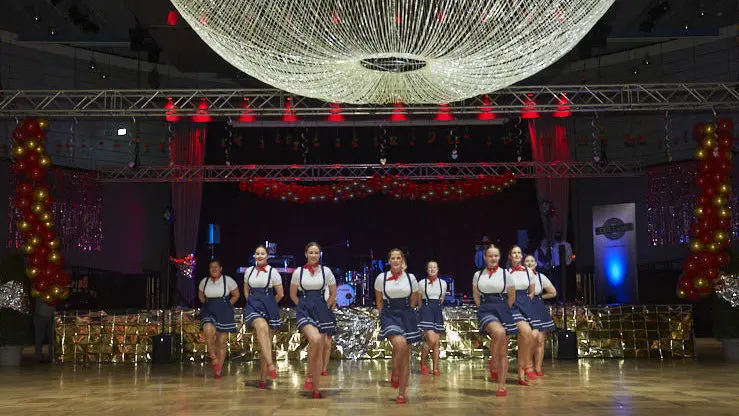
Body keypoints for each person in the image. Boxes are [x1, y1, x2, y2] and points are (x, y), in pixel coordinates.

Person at [290, 242, 337, 399]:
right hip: (305, 310)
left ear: (320, 254)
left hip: (321, 310)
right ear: (306, 254)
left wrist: (326, 307)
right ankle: (309, 373)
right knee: (315, 339)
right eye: (311, 252)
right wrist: (301, 306)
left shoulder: (326, 271)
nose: (314, 255)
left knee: (318, 347)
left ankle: (316, 388)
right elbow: (292, 294)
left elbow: (333, 293)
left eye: (316, 253)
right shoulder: (298, 272)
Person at [375, 249, 421, 404]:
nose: (395, 261)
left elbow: (414, 299)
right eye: (393, 258)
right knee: (399, 343)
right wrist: (382, 316)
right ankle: (394, 369)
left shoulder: (411, 278)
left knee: (406, 354)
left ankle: (402, 393)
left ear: (402, 260)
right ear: (389, 261)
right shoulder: (381, 278)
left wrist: (408, 311)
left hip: (406, 314)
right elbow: (379, 301)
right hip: (389, 314)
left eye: (398, 258)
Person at [472, 244, 517, 397]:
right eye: (490, 256)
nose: (493, 258)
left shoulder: (506, 274)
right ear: (485, 257)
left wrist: (504, 308)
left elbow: (512, 296)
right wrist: (481, 308)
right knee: (499, 332)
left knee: (503, 348)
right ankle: (494, 360)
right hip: (486, 309)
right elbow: (476, 295)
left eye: (496, 255)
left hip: (502, 308)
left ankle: (501, 386)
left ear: (499, 257)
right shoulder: (478, 275)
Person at [244, 245, 284, 388]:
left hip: (269, 307)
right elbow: (246, 289)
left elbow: (280, 293)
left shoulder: (273, 272)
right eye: (257, 253)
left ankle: (262, 379)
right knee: (261, 327)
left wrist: (270, 304)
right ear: (254, 256)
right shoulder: (249, 271)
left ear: (267, 256)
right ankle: (271, 365)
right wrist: (250, 301)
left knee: (266, 343)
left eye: (262, 253)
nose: (259, 256)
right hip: (253, 307)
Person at [197, 259, 240, 379]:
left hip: (223, 311)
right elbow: (201, 296)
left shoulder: (228, 280)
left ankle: (218, 370)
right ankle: (213, 356)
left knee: (221, 341)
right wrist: (207, 304)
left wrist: (227, 305)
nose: (214, 269)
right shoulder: (204, 281)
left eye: (216, 267)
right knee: (208, 330)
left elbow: (236, 295)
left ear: (220, 268)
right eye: (211, 267)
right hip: (209, 309)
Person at [507, 245, 538, 384]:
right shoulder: (506, 273)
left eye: (519, 253)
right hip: (512, 305)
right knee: (526, 332)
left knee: (529, 337)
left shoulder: (528, 272)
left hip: (525, 304)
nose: (517, 255)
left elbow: (532, 291)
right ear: (510, 256)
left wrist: (527, 301)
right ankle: (523, 370)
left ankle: (522, 373)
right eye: (514, 253)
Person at [524, 254, 557, 376]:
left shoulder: (540, 277)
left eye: (532, 261)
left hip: (538, 308)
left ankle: (538, 368)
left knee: (540, 340)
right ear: (523, 264)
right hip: (525, 307)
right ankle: (528, 366)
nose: (530, 263)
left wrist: (539, 297)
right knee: (530, 339)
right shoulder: (520, 277)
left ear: (536, 263)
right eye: (527, 261)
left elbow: (553, 292)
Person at [417, 260, 446, 376]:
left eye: (434, 267)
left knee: (436, 343)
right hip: (426, 311)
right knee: (431, 340)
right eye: (430, 267)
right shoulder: (421, 283)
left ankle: (435, 368)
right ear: (426, 269)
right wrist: (423, 310)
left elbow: (442, 298)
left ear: (438, 269)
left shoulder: (443, 283)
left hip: (437, 311)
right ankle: (423, 362)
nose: (432, 269)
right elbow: (419, 300)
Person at [33, 298, 55, 363]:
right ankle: (39, 357)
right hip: (41, 313)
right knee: (40, 336)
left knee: (52, 336)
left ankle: (52, 356)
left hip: (52, 313)